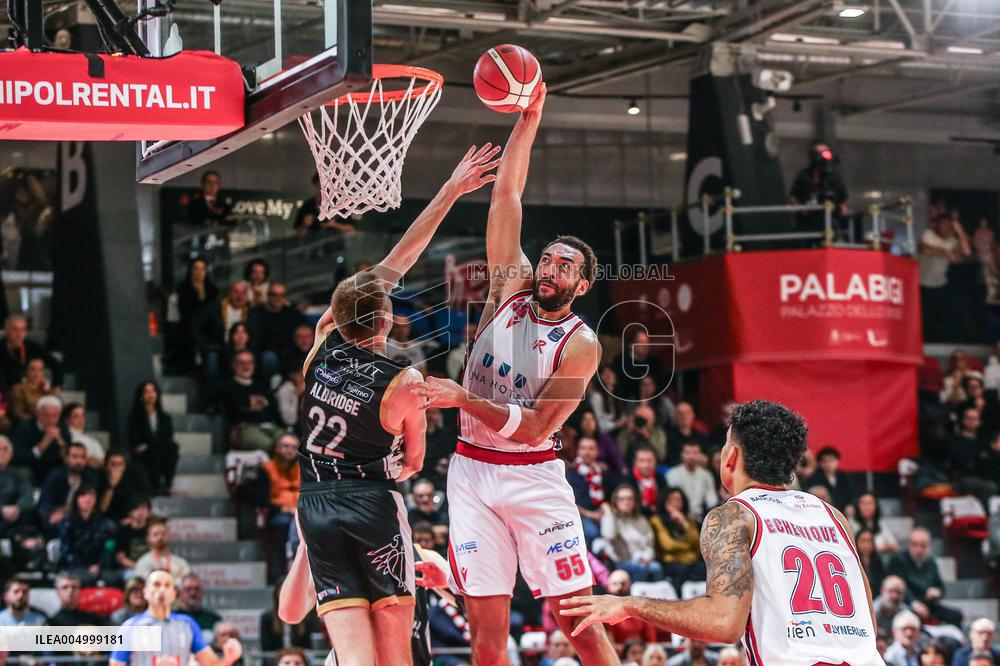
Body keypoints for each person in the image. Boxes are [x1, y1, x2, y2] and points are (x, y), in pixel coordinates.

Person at [417, 87, 618, 665]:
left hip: (534, 480)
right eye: (549, 259)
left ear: (582, 286)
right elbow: (507, 193)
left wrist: (462, 396)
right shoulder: (510, 284)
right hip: (471, 473)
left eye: (566, 267)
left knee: (578, 625)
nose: (551, 269)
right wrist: (528, 118)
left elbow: (532, 430)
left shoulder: (580, 345)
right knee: (486, 637)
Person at [296, 141, 501, 666]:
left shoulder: (321, 343)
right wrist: (453, 188)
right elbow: (412, 462)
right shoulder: (406, 380)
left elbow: (390, 269)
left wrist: (452, 188)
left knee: (355, 658)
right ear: (386, 324)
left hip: (315, 503)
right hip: (371, 503)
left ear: (336, 317)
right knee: (395, 654)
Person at [560, 400, 884, 666]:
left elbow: (723, 623)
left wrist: (630, 605)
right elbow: (867, 619)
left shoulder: (735, 516)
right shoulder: (833, 516)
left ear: (732, 457)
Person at [110, 569, 243, 666]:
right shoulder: (130, 628)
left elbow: (211, 664)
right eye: (156, 585)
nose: (162, 590)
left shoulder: (187, 624)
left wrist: (229, 658)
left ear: (174, 594)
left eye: (167, 585)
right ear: (146, 592)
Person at [887, 527, 963, 627]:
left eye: (922, 545)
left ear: (929, 546)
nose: (918, 549)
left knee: (956, 615)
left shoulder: (931, 563)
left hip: (928, 604)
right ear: (909, 545)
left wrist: (937, 592)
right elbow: (900, 586)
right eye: (915, 545)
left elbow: (940, 586)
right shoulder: (898, 560)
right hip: (906, 604)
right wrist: (914, 603)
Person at [220, 351, 283, 451]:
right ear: (234, 365)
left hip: (270, 426)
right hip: (244, 428)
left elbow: (273, 408)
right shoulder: (227, 386)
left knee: (290, 442)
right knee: (272, 445)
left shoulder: (262, 386)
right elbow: (233, 410)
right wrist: (258, 402)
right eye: (242, 363)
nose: (246, 366)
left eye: (249, 363)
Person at [600, 484, 662, 582]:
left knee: (656, 567)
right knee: (642, 569)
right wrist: (609, 512)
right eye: (622, 499)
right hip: (621, 562)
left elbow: (650, 545)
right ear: (615, 501)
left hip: (643, 560)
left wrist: (647, 557)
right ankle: (636, 597)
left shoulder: (641, 520)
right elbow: (609, 535)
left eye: (630, 498)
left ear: (635, 501)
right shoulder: (611, 518)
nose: (626, 502)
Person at [247, 282, 307, 382]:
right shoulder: (256, 313)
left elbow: (307, 329)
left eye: (281, 295)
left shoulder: (293, 313)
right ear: (268, 296)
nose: (278, 298)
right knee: (269, 357)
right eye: (274, 295)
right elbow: (255, 341)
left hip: (290, 354)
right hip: (266, 355)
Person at [57, 484, 116, 584]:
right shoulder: (67, 522)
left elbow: (106, 547)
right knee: (84, 578)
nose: (88, 498)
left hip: (98, 566)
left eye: (91, 495)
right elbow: (66, 550)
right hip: (74, 565)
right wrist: (85, 567)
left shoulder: (102, 522)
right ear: (76, 499)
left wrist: (98, 565)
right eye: (83, 495)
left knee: (114, 578)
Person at [127, 381, 179, 495]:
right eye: (146, 392)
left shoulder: (165, 417)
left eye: (153, 391)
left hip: (160, 448)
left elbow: (167, 436)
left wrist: (151, 442)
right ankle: (155, 485)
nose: (151, 395)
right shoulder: (135, 417)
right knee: (157, 446)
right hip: (144, 452)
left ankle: (168, 484)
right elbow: (136, 440)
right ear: (141, 395)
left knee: (172, 446)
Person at [38, 441, 100, 533]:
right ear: (66, 458)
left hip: (83, 517)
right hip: (58, 518)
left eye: (82, 457)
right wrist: (60, 511)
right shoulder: (55, 477)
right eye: (75, 457)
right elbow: (44, 506)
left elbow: (95, 506)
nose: (79, 461)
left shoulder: (91, 478)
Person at [650, 487, 705, 589]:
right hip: (670, 561)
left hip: (691, 561)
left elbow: (698, 543)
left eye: (678, 499)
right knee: (681, 570)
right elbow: (668, 545)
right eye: (671, 499)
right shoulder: (656, 520)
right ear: (664, 501)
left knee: (705, 569)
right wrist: (687, 546)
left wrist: (684, 523)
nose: (675, 502)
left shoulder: (688, 520)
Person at [262, 434, 300, 577]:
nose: (289, 450)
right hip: (279, 512)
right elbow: (262, 500)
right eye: (285, 446)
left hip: (300, 511)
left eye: (293, 447)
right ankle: (280, 575)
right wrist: (283, 509)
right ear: (277, 449)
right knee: (284, 523)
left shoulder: (303, 468)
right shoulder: (266, 469)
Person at [11, 393, 69, 482]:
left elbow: (69, 457)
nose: (51, 420)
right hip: (32, 468)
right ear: (37, 413)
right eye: (46, 415)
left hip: (55, 468)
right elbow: (18, 458)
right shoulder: (24, 427)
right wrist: (43, 444)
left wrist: (60, 441)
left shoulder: (62, 427)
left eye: (55, 416)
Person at [175, 257, 219, 370]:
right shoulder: (183, 288)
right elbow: (185, 311)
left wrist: (202, 291)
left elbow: (213, 311)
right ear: (190, 271)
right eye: (196, 269)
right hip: (189, 325)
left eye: (202, 269)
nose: (199, 272)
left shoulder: (213, 289)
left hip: (208, 327)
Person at [0, 314, 62, 392]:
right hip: (7, 394)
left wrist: (56, 385)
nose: (20, 334)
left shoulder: (33, 347)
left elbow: (55, 364)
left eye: (23, 330)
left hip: (31, 392)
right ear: (6, 330)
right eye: (15, 330)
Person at [566, 436, 610, 545]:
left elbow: (610, 496)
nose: (587, 452)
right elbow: (570, 503)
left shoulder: (602, 472)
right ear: (578, 451)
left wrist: (604, 509)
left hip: (601, 513)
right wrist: (591, 515)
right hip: (581, 516)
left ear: (597, 452)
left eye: (591, 449)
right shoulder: (570, 473)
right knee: (593, 533)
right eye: (583, 448)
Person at [666, 442, 717, 522]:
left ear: (700, 455)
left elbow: (712, 501)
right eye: (687, 453)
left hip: (702, 518)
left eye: (695, 453)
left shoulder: (706, 475)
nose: (691, 456)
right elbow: (673, 501)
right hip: (680, 517)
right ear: (681, 455)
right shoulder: (672, 474)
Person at [612, 330, 669, 401]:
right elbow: (621, 387)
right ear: (631, 345)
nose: (646, 346)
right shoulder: (620, 361)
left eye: (647, 342)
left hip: (654, 400)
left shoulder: (654, 361)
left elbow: (662, 384)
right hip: (629, 400)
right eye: (641, 343)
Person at [133, 517, 191, 582]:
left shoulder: (181, 563)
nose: (160, 537)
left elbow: (186, 584)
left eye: (163, 533)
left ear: (169, 535)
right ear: (148, 538)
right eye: (155, 534)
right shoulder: (143, 563)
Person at [804, 446, 855, 512]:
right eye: (825, 461)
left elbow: (850, 495)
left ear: (837, 461)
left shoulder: (844, 477)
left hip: (842, 511)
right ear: (819, 463)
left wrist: (849, 505)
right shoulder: (814, 478)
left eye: (831, 461)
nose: (828, 464)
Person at [9, 357, 58, 422]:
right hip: (29, 425)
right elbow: (18, 414)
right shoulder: (18, 389)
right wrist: (40, 422)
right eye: (33, 369)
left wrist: (48, 391)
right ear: (27, 371)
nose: (37, 373)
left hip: (49, 423)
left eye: (40, 370)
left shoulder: (47, 390)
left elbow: (59, 408)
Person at [114, 496, 153, 570]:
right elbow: (121, 558)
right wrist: (139, 567)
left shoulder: (153, 529)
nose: (140, 511)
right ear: (130, 512)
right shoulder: (123, 531)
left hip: (151, 567)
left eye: (144, 508)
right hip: (131, 568)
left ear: (149, 512)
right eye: (136, 509)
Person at [627, 446, 668, 516]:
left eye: (649, 461)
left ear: (655, 462)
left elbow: (665, 499)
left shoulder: (660, 478)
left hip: (659, 516)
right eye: (641, 461)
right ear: (635, 462)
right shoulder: (627, 480)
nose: (646, 465)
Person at [62, 402, 105, 467]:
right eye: (76, 416)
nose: (81, 419)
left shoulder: (90, 440)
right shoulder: (65, 438)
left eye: (83, 416)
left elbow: (102, 462)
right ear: (67, 420)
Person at [856, 527, 888, 594]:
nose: (866, 544)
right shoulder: (853, 563)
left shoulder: (878, 562)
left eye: (869, 541)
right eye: (863, 541)